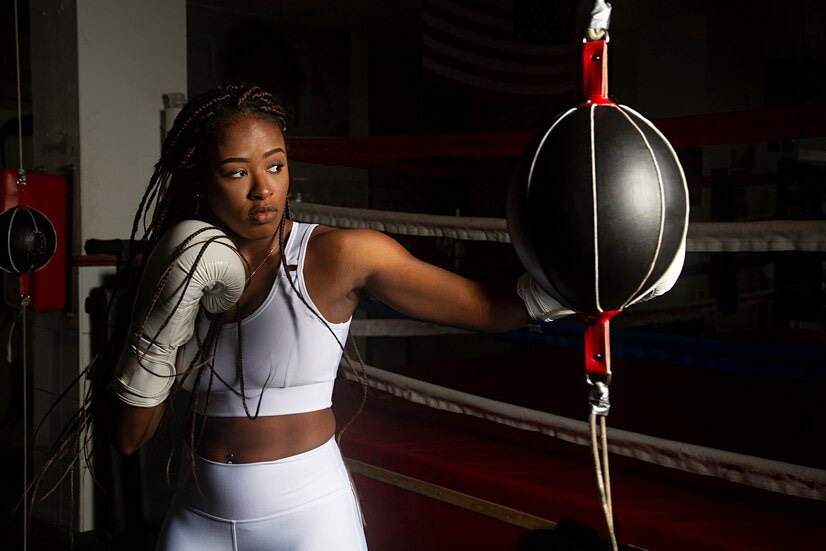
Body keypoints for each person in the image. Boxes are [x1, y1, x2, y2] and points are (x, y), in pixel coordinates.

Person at [104, 83, 573, 551]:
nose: (262, 189)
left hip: (306, 521)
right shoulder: (183, 267)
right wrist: (158, 324)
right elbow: (129, 438)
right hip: (197, 518)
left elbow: (487, 306)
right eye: (235, 173)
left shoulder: (337, 256)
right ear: (203, 181)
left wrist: (584, 278)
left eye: (275, 165)